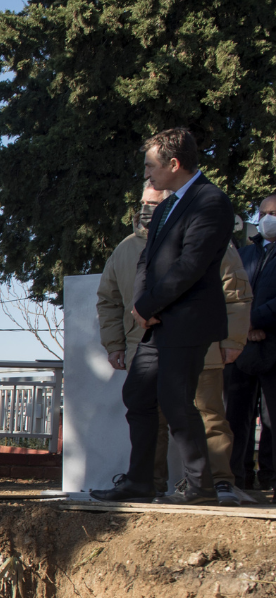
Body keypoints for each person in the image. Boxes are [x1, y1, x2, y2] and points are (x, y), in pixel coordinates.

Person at [91, 128, 235, 504]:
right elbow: (147, 261)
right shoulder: (168, 206)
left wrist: (150, 305)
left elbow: (190, 265)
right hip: (156, 324)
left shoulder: (210, 201)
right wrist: (141, 305)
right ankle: (140, 481)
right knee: (138, 394)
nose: (147, 175)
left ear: (174, 163)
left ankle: (200, 486)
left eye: (150, 166)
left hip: (188, 321)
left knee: (176, 400)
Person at [227, 194, 276, 502]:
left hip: (273, 345)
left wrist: (253, 321)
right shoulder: (243, 253)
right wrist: (243, 326)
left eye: (274, 212)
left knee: (272, 418)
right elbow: (229, 293)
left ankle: (271, 478)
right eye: (264, 212)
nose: (268, 218)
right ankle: (236, 478)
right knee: (236, 415)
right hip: (240, 348)